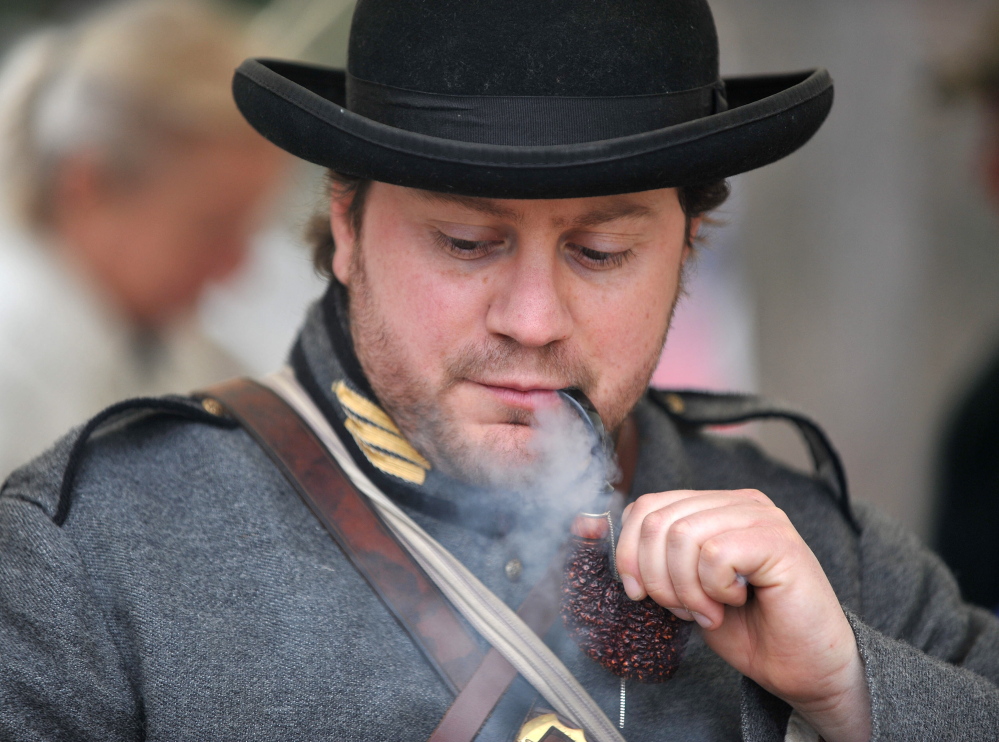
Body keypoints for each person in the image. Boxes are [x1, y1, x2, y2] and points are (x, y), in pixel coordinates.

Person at [1, 1, 998, 740]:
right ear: (346, 226)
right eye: (466, 242)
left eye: (601, 253)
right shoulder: (97, 555)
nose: (533, 321)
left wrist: (855, 690)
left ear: (689, 244)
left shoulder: (828, 550)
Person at [0, 0, 288, 477]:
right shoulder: (13, 372)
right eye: (211, 227)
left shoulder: (188, 353)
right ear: (87, 188)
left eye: (249, 229)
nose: (236, 266)